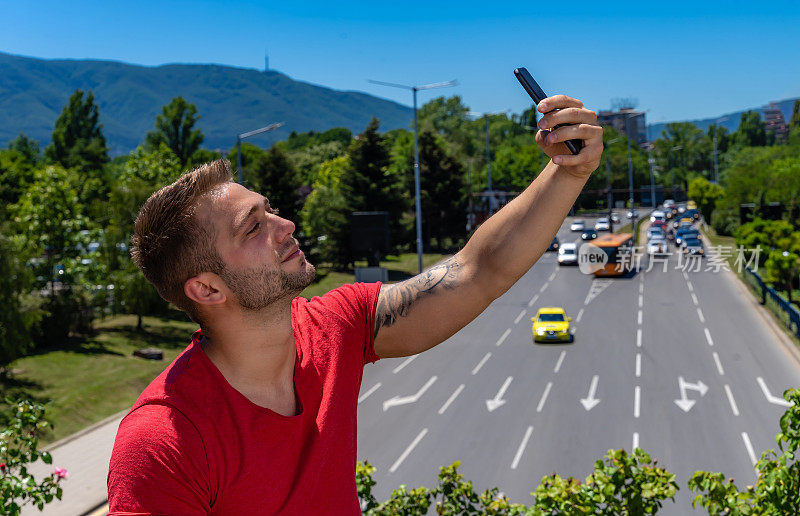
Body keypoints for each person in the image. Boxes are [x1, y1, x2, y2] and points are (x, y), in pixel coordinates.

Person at [107, 95, 603, 514]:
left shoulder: (334, 327)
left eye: (270, 211)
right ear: (208, 290)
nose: (286, 226)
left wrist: (568, 173)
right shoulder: (163, 443)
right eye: (253, 227)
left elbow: (477, 272)